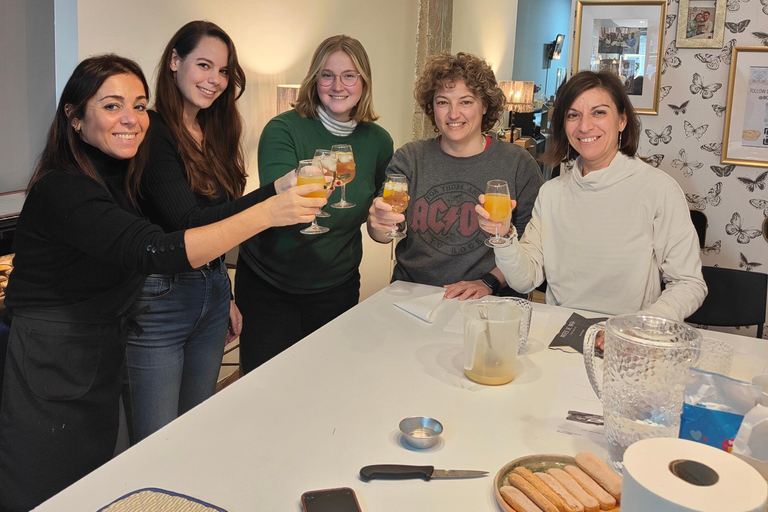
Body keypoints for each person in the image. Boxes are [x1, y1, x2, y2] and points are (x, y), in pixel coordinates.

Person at [0, 54, 325, 511]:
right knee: (45, 485)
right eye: (112, 106)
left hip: (101, 340)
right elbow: (156, 251)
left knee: (97, 475)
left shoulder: (121, 174)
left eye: (139, 105)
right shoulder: (65, 188)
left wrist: (272, 192)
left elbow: (187, 227)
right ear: (74, 117)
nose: (132, 119)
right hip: (53, 352)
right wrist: (269, 214)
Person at [122, 21, 301, 444]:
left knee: (195, 428)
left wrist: (226, 290)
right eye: (204, 65)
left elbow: (217, 218)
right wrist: (271, 199)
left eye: (223, 71)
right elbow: (189, 223)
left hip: (212, 290)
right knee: (155, 441)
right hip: (161, 300)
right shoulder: (152, 131)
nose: (215, 80)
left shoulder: (215, 130)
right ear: (173, 61)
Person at [477, 71, 706, 323]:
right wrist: (504, 237)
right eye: (573, 115)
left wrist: (640, 326)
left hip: (629, 339)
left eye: (599, 112)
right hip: (560, 333)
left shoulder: (658, 189)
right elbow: (524, 280)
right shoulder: (552, 193)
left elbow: (688, 283)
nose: (585, 126)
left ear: (621, 120)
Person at [235, 35, 394, 373]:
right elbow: (281, 208)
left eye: (349, 75)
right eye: (327, 75)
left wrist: (383, 229)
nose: (338, 85)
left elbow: (378, 219)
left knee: (326, 384)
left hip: (337, 286)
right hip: (270, 286)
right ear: (314, 80)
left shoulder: (379, 142)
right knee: (266, 391)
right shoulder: (283, 129)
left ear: (363, 82)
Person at [367, 52, 543, 300]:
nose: (453, 114)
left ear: (485, 106)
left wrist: (488, 282)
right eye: (442, 102)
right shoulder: (410, 158)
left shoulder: (517, 163)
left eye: (466, 102)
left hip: (487, 299)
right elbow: (385, 231)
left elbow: (529, 245)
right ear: (432, 108)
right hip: (413, 295)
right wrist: (377, 225)